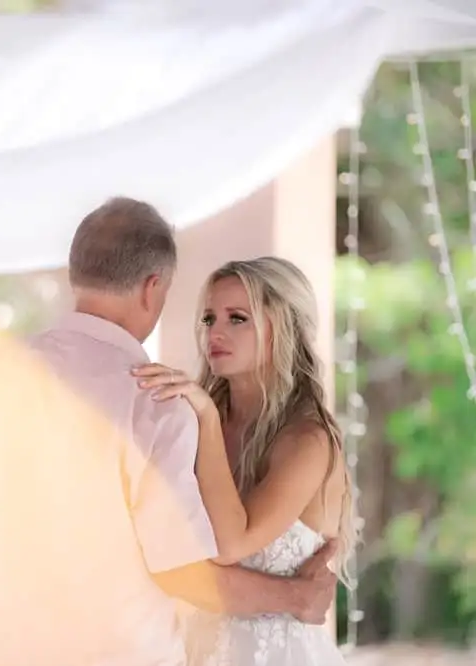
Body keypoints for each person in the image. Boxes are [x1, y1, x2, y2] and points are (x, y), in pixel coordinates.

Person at [0, 198, 336, 666]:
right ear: (153, 288)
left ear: (75, 275)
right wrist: (294, 598)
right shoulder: (154, 400)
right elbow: (185, 575)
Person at [132, 256, 357, 666]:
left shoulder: (307, 439)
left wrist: (206, 418)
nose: (215, 332)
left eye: (237, 318)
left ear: (284, 327)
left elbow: (230, 544)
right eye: (208, 319)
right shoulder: (189, 420)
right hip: (191, 650)